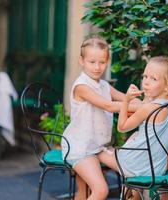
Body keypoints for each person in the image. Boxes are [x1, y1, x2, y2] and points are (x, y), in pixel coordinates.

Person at [98, 56, 168, 199]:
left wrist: (127, 100)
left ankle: (126, 191)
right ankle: (133, 193)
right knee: (131, 144)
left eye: (153, 79)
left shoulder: (149, 108)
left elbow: (122, 127)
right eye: (145, 76)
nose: (146, 82)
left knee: (96, 152)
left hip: (135, 165)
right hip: (156, 169)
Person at [61, 35, 140, 200]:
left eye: (102, 62)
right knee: (101, 190)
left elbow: (124, 97)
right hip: (80, 148)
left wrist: (145, 103)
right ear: (81, 61)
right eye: (92, 62)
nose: (97, 67)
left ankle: (132, 193)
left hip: (98, 146)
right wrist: (134, 106)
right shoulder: (82, 86)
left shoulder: (104, 85)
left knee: (134, 170)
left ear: (107, 61)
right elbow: (108, 105)